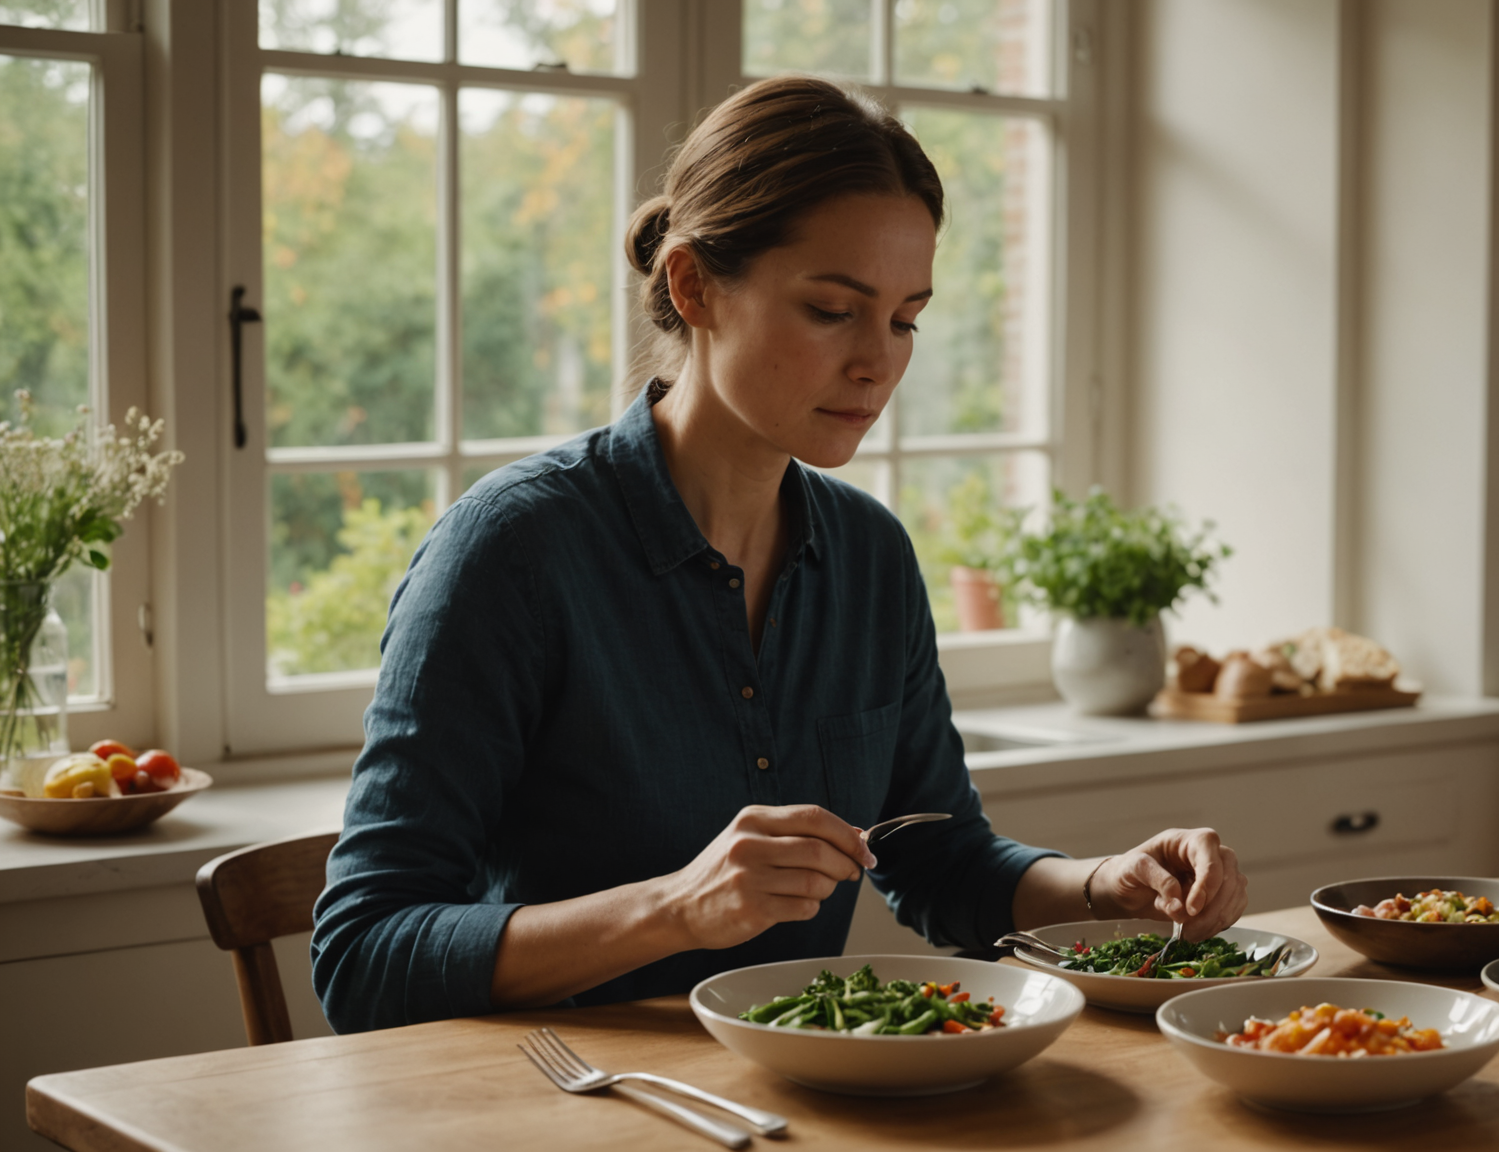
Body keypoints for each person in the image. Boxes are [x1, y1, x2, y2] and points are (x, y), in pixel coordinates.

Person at [310, 75, 1248, 1034]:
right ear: (694, 285)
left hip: (792, 1106)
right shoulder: (513, 549)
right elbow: (364, 956)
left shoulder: (871, 554)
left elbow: (941, 862)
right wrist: (676, 905)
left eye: (905, 317)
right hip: (561, 1103)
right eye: (833, 310)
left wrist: (1104, 885)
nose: (878, 362)